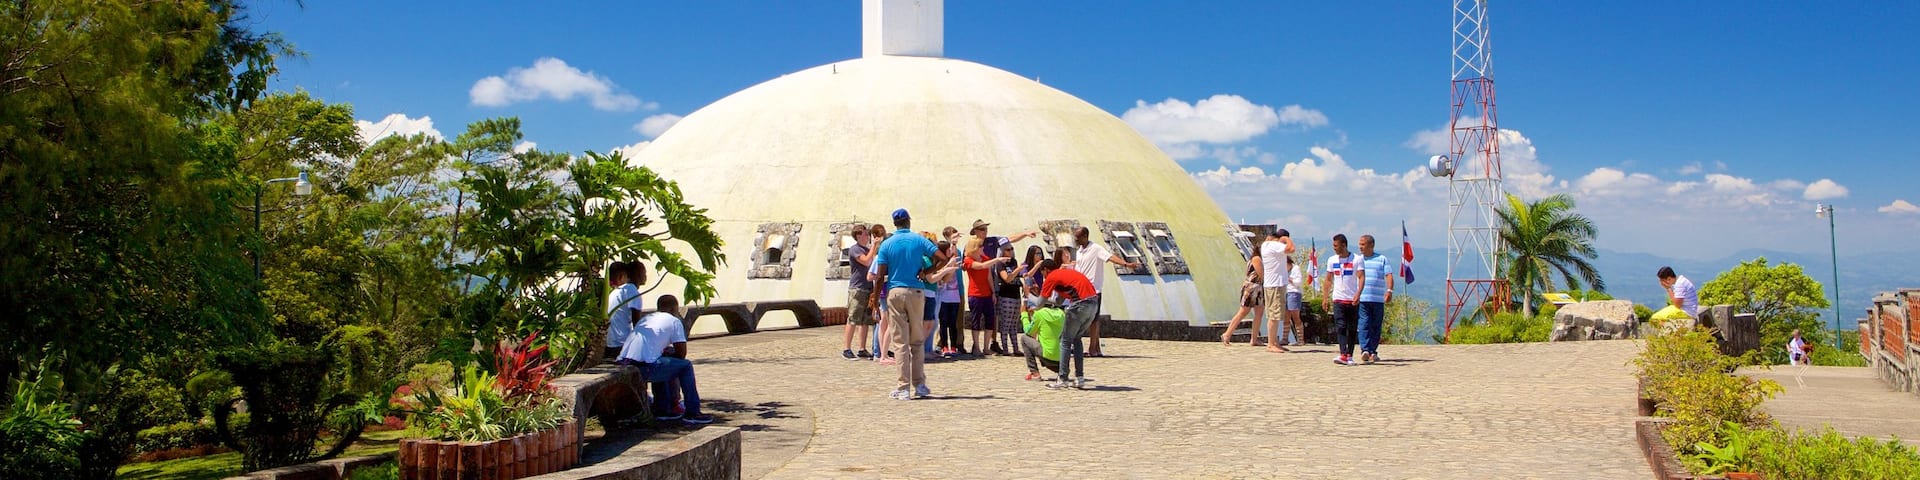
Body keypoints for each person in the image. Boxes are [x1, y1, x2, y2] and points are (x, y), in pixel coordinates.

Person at [614, 295, 713, 424]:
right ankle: (693, 412)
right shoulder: (674, 321)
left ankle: (663, 409)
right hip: (645, 368)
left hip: (625, 363)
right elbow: (682, 354)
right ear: (674, 309)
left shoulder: (647, 318)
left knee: (661, 360)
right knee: (685, 366)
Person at [874, 209, 938, 400]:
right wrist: (926, 271)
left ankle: (903, 388)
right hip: (916, 290)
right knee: (917, 340)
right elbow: (941, 257)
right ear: (908, 221)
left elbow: (880, 275)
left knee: (900, 342)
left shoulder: (887, 244)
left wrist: (875, 299)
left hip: (895, 291)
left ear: (895, 224)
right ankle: (920, 385)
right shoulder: (918, 240)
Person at [1071, 226, 1142, 357]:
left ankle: (1092, 348)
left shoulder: (1096, 248)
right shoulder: (1079, 251)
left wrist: (1126, 264)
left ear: (1085, 236)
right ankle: (1096, 348)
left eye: (1078, 237)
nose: (1076, 240)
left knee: (1094, 319)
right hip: (1080, 288)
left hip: (1093, 288)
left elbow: (1110, 257)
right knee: (1086, 318)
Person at [1037, 259, 1100, 389]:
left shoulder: (1051, 276)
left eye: (1042, 273)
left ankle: (1063, 378)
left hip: (1080, 305)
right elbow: (1058, 301)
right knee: (1076, 339)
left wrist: (1033, 300)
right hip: (1093, 304)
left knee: (1064, 341)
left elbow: (1039, 303)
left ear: (1046, 270)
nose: (1043, 276)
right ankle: (1080, 378)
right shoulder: (1064, 275)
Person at [963, 237, 1013, 358]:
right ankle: (976, 347)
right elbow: (980, 266)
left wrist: (992, 292)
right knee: (976, 320)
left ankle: (986, 347)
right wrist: (998, 259)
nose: (983, 248)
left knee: (990, 320)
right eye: (980, 246)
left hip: (986, 294)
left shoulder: (985, 258)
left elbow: (989, 276)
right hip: (975, 294)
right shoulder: (968, 260)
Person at [1321, 234, 1362, 366]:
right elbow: (1328, 279)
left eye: (1336, 246)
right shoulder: (1332, 260)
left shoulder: (1357, 259)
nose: (1334, 248)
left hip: (1352, 299)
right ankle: (1343, 353)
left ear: (1343, 245)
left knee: (1351, 327)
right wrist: (1325, 297)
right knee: (1340, 326)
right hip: (1338, 298)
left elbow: (1361, 277)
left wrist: (1358, 293)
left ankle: (1349, 354)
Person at [1355, 234, 1395, 365]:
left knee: (1376, 325)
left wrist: (1389, 291)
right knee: (1364, 324)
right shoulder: (1357, 260)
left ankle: (1373, 351)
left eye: (1363, 244)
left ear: (1371, 245)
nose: (1360, 247)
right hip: (1363, 297)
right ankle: (1365, 350)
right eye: (1359, 244)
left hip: (1377, 298)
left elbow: (1388, 275)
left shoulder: (1381, 259)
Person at [843, 226, 879, 360]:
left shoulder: (868, 249)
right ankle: (846, 348)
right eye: (865, 234)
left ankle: (862, 348)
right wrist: (874, 246)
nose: (868, 236)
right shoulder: (855, 249)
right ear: (858, 236)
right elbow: (866, 261)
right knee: (853, 318)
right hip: (857, 288)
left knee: (865, 321)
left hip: (868, 287)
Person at [1260, 229, 1297, 353]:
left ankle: (1274, 342)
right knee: (1274, 315)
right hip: (1275, 284)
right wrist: (1286, 239)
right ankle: (1271, 344)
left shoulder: (1266, 245)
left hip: (1274, 284)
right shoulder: (1274, 245)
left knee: (1275, 315)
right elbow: (1291, 249)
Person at [1221, 247, 1266, 346]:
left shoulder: (1261, 259)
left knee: (1259, 313)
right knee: (1243, 312)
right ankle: (1227, 334)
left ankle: (1254, 339)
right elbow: (1262, 274)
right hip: (1251, 287)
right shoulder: (1256, 259)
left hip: (1259, 288)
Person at [993, 242, 1028, 356]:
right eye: (1008, 249)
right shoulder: (1000, 264)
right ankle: (1005, 349)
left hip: (1016, 294)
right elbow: (1007, 278)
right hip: (1005, 295)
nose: (1010, 251)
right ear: (1002, 251)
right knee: (1006, 324)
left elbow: (1016, 277)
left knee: (1014, 324)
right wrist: (1017, 271)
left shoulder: (1014, 262)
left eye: (1011, 249)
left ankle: (1016, 348)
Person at [604, 261, 642, 362]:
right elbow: (636, 321)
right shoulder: (629, 288)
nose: (645, 276)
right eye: (643, 273)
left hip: (610, 343)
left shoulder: (614, 292)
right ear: (622, 276)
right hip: (621, 344)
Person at [1021, 300, 1066, 381]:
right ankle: (1063, 372)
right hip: (1060, 361)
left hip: (1047, 357)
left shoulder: (1040, 314)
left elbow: (1028, 331)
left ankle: (1035, 373)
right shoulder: (1062, 314)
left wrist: (1024, 314)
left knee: (1024, 338)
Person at [1286, 256, 1306, 346]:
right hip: (1285, 292)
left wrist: (1290, 280)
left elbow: (1299, 282)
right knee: (1286, 316)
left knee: (1295, 316)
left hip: (1294, 292)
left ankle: (1301, 339)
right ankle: (1284, 338)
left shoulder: (1295, 268)